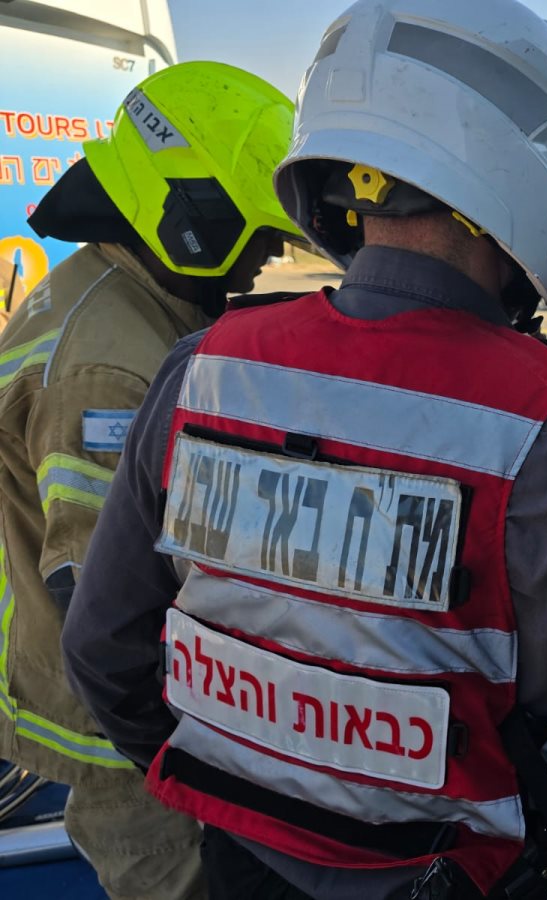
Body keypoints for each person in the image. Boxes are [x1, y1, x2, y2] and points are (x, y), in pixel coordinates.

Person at [60, 3, 547, 899]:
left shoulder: (202, 371)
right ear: (522, 172)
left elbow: (102, 653)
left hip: (239, 869)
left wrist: (251, 791)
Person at [0, 62, 298, 898]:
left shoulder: (122, 295)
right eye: (257, 232)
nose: (269, 257)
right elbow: (98, 593)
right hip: (117, 741)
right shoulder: (107, 362)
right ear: (191, 212)